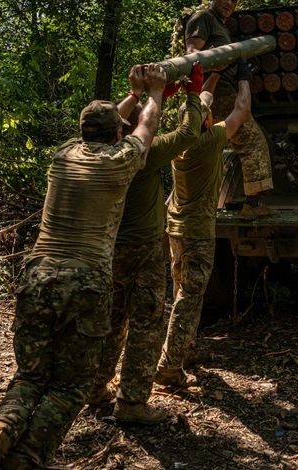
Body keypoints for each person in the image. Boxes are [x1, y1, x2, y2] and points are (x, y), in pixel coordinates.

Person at [0, 64, 168, 470]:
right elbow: (147, 126)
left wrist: (133, 93)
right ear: (117, 134)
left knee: (31, 376)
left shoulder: (64, 153)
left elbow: (109, 123)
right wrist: (154, 94)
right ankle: (28, 457)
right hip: (84, 280)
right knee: (71, 387)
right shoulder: (121, 160)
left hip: (36, 275)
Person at [86, 62, 206, 425]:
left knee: (111, 318)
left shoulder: (90, 152)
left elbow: (118, 123)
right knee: (147, 321)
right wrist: (192, 92)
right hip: (142, 249)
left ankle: (94, 386)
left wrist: (140, 95)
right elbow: (188, 133)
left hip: (108, 249)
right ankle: (132, 403)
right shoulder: (144, 154)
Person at [155, 59, 253, 387]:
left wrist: (212, 75)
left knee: (181, 291)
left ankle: (182, 351)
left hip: (176, 231)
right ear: (208, 122)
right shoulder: (211, 143)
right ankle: (169, 368)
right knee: (189, 299)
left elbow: (199, 110)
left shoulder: (180, 142)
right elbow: (242, 109)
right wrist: (243, 77)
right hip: (197, 233)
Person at [185, 0, 278, 220]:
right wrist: (213, 62)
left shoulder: (219, 24)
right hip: (217, 95)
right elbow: (191, 54)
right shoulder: (203, 18)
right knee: (253, 143)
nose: (229, 3)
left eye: (234, 0)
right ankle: (253, 207)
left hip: (220, 93)